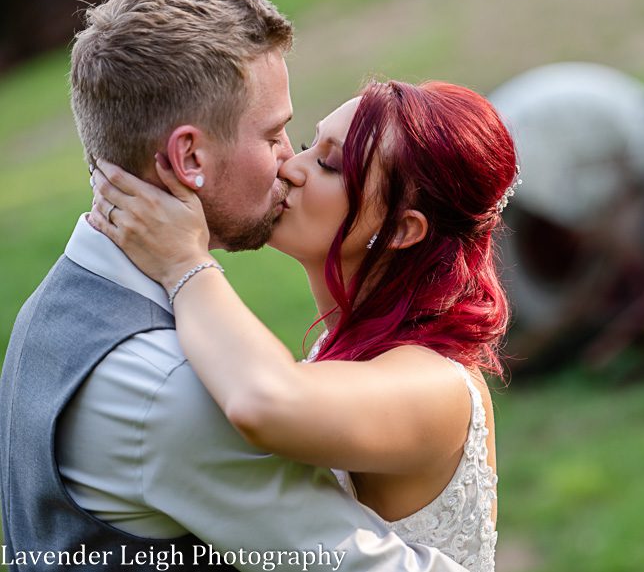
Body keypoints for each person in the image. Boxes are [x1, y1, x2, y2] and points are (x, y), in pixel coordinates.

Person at [0, 0, 466, 572]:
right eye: (275, 135)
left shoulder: (55, 306)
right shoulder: (167, 386)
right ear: (190, 158)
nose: (287, 164)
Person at [87, 78, 519, 572]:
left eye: (329, 164)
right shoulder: (354, 348)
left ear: (401, 228)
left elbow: (264, 403)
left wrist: (183, 262)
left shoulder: (437, 386)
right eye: (311, 144)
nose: (291, 167)